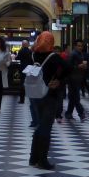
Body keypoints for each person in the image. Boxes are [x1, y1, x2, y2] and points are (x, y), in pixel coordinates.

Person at [29, 31, 66, 170]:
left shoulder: (33, 54)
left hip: (36, 93)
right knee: (46, 126)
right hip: (49, 95)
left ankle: (33, 157)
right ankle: (42, 159)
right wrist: (58, 80)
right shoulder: (54, 57)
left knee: (40, 125)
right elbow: (68, 68)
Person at [64, 39, 88, 122]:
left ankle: (68, 113)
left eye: (81, 46)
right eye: (78, 46)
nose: (80, 47)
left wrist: (83, 67)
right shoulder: (73, 54)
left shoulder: (80, 54)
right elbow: (69, 67)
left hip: (77, 78)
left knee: (72, 97)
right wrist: (79, 66)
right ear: (75, 46)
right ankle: (81, 113)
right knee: (76, 97)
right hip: (72, 79)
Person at [16, 40, 33, 105]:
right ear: (28, 45)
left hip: (22, 69)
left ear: (23, 45)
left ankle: (22, 100)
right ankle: (31, 99)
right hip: (29, 69)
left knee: (22, 84)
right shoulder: (30, 51)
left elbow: (18, 58)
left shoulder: (21, 51)